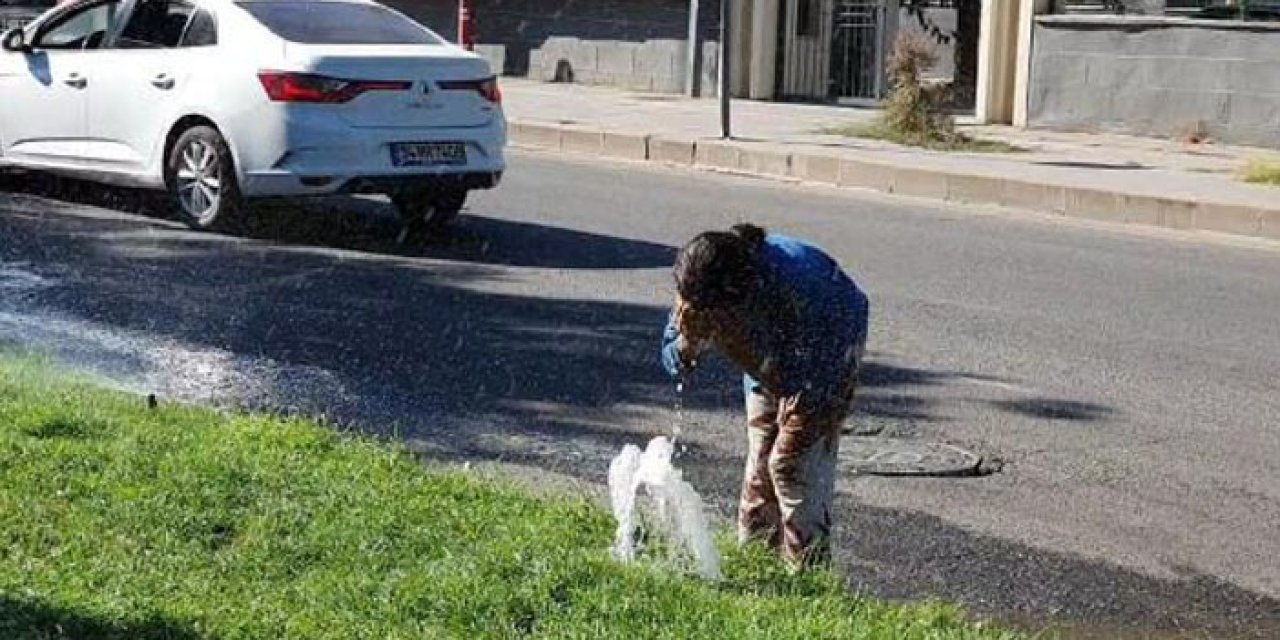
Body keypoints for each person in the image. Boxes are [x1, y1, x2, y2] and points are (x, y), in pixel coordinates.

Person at [661, 223, 869, 568]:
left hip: (831, 337)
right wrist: (686, 342)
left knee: (789, 465)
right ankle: (756, 561)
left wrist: (740, 346)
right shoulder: (700, 288)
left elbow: (790, 381)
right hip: (767, 342)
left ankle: (809, 571)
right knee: (760, 461)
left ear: (738, 299)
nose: (701, 317)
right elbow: (673, 362)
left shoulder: (795, 286)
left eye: (714, 316)